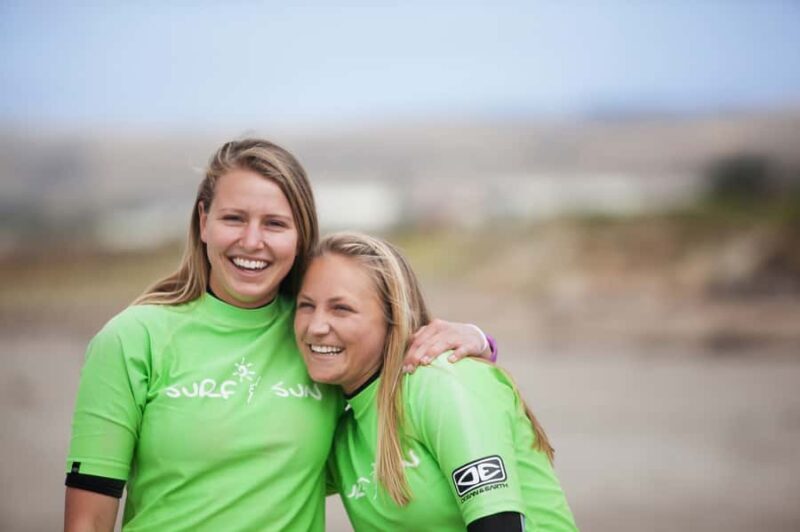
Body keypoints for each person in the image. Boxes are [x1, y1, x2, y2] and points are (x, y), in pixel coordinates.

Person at [64, 139, 494, 531]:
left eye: (274, 224)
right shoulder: (131, 339)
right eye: (234, 219)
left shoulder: (317, 335)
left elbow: (406, 369)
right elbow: (87, 523)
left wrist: (477, 338)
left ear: (300, 234)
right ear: (203, 222)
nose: (252, 241)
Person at [295, 232, 578, 531]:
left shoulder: (440, 382)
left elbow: (500, 525)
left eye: (342, 309)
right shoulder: (340, 423)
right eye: (306, 305)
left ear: (394, 319)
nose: (316, 326)